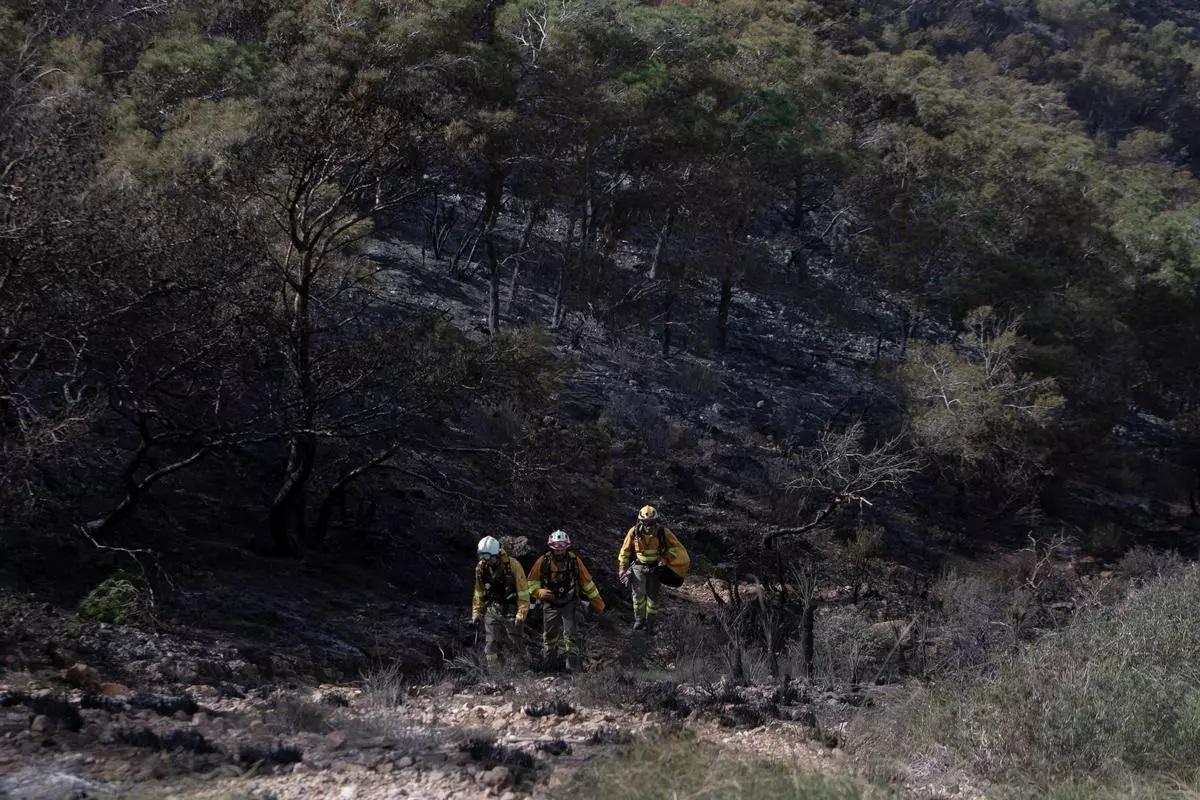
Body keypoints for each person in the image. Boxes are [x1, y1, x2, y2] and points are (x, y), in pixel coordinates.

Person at [527, 530, 605, 671]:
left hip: (569, 602)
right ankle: (549, 662)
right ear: (551, 547)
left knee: (570, 634)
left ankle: (572, 665)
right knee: (550, 635)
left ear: (567, 546)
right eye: (557, 547)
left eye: (562, 547)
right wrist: (539, 592)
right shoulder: (543, 562)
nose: (560, 551)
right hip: (550, 604)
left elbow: (587, 583)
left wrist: (598, 603)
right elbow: (531, 582)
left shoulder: (574, 561)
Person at [617, 505, 689, 634]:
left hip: (655, 568)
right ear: (640, 521)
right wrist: (623, 568)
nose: (648, 525)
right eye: (645, 522)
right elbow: (625, 551)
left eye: (651, 522)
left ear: (655, 521)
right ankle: (639, 621)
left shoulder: (663, 532)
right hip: (638, 566)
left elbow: (675, 548)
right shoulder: (633, 532)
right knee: (638, 594)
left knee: (652, 597)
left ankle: (650, 624)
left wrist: (666, 559)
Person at [471, 536, 530, 668]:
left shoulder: (513, 565)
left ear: (496, 554)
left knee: (515, 644)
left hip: (511, 610)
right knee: (490, 645)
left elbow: (523, 592)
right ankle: (495, 674)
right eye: (482, 556)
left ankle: (521, 672)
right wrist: (476, 612)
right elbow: (478, 591)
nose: (485, 560)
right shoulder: (481, 568)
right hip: (492, 609)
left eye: (487, 557)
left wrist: (521, 613)